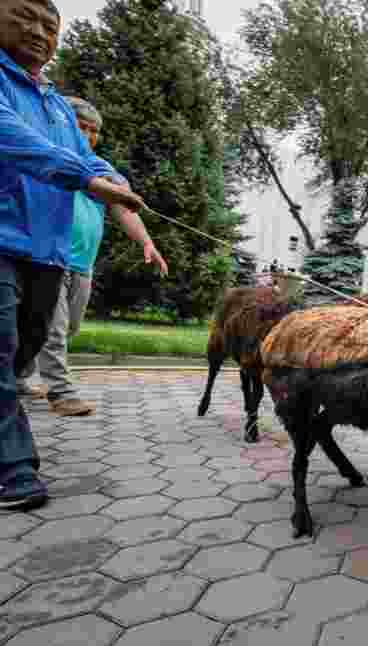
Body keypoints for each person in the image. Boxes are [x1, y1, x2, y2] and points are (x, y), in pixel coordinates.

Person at [1, 0, 146, 512]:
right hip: (2, 238)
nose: (38, 32)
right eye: (24, 18)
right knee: (1, 347)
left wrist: (112, 179)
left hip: (46, 249)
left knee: (30, 340)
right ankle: (13, 469)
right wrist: (88, 180)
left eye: (50, 25)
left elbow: (88, 158)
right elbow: (16, 141)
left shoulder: (57, 105)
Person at [16, 97, 168, 416]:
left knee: (65, 328)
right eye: (81, 127)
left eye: (94, 130)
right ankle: (60, 392)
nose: (87, 134)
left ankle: (16, 376)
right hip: (47, 260)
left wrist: (147, 242)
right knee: (53, 330)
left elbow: (121, 206)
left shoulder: (98, 169)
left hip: (82, 265)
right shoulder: (51, 159)